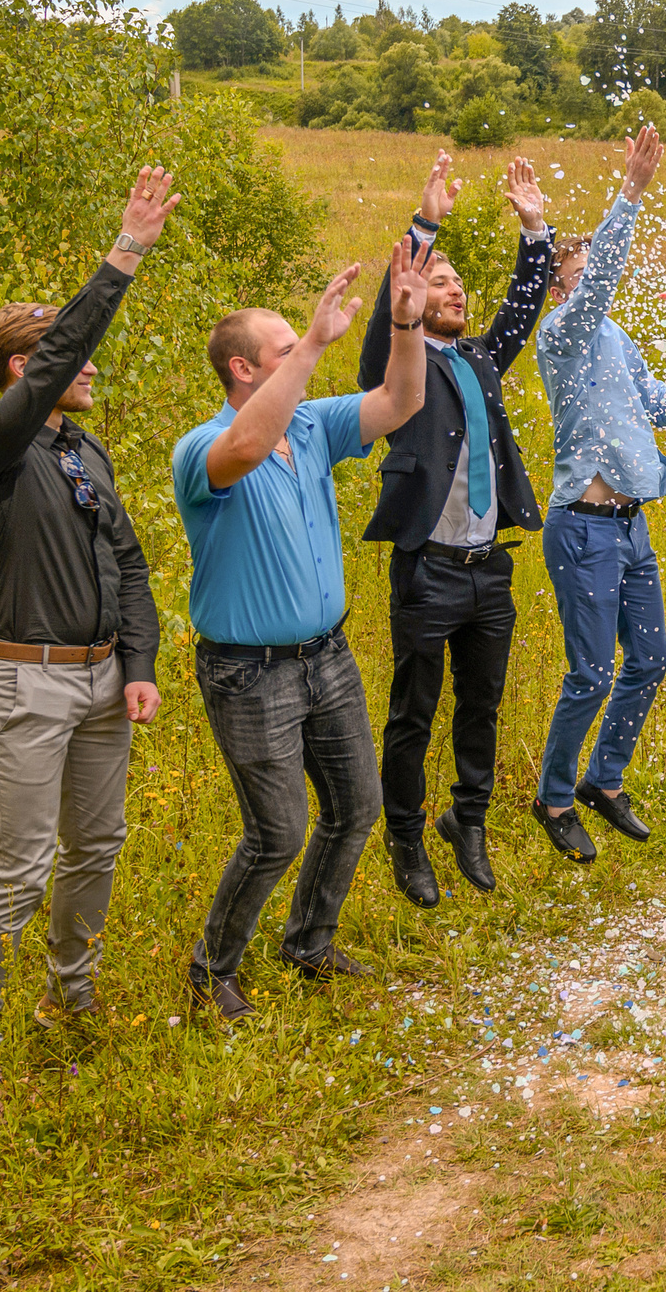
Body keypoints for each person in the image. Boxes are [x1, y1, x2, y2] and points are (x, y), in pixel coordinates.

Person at [0, 167, 176, 1126]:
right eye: (63, 361)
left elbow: (130, 561)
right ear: (19, 375)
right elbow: (59, 357)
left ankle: (72, 997)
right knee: (18, 870)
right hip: (19, 688)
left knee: (98, 848)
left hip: (98, 683)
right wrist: (123, 256)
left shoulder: (83, 451)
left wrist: (141, 666)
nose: (87, 369)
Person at [172, 242, 431, 1022]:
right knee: (277, 830)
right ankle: (212, 967)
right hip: (249, 672)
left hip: (327, 657)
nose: (305, 356)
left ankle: (309, 942)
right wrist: (316, 342)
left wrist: (408, 322)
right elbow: (247, 446)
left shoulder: (314, 427)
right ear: (244, 370)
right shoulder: (203, 449)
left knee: (357, 806)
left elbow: (400, 403)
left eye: (301, 345)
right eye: (284, 349)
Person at [357, 150, 557, 907]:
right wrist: (425, 226)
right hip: (427, 568)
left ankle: (465, 819)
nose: (457, 292)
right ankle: (405, 838)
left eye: (458, 286)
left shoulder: (479, 358)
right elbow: (385, 323)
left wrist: (534, 228)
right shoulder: (397, 363)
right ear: (416, 292)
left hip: (487, 567)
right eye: (441, 281)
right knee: (415, 709)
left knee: (483, 702)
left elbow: (523, 306)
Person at [531, 124, 666, 863]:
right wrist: (631, 193)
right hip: (582, 525)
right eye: (580, 269)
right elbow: (604, 271)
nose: (595, 279)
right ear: (558, 284)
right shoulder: (560, 334)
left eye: (590, 269)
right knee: (591, 672)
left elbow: (660, 409)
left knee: (651, 660)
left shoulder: (617, 337)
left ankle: (604, 780)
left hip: (631, 526)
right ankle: (552, 796)